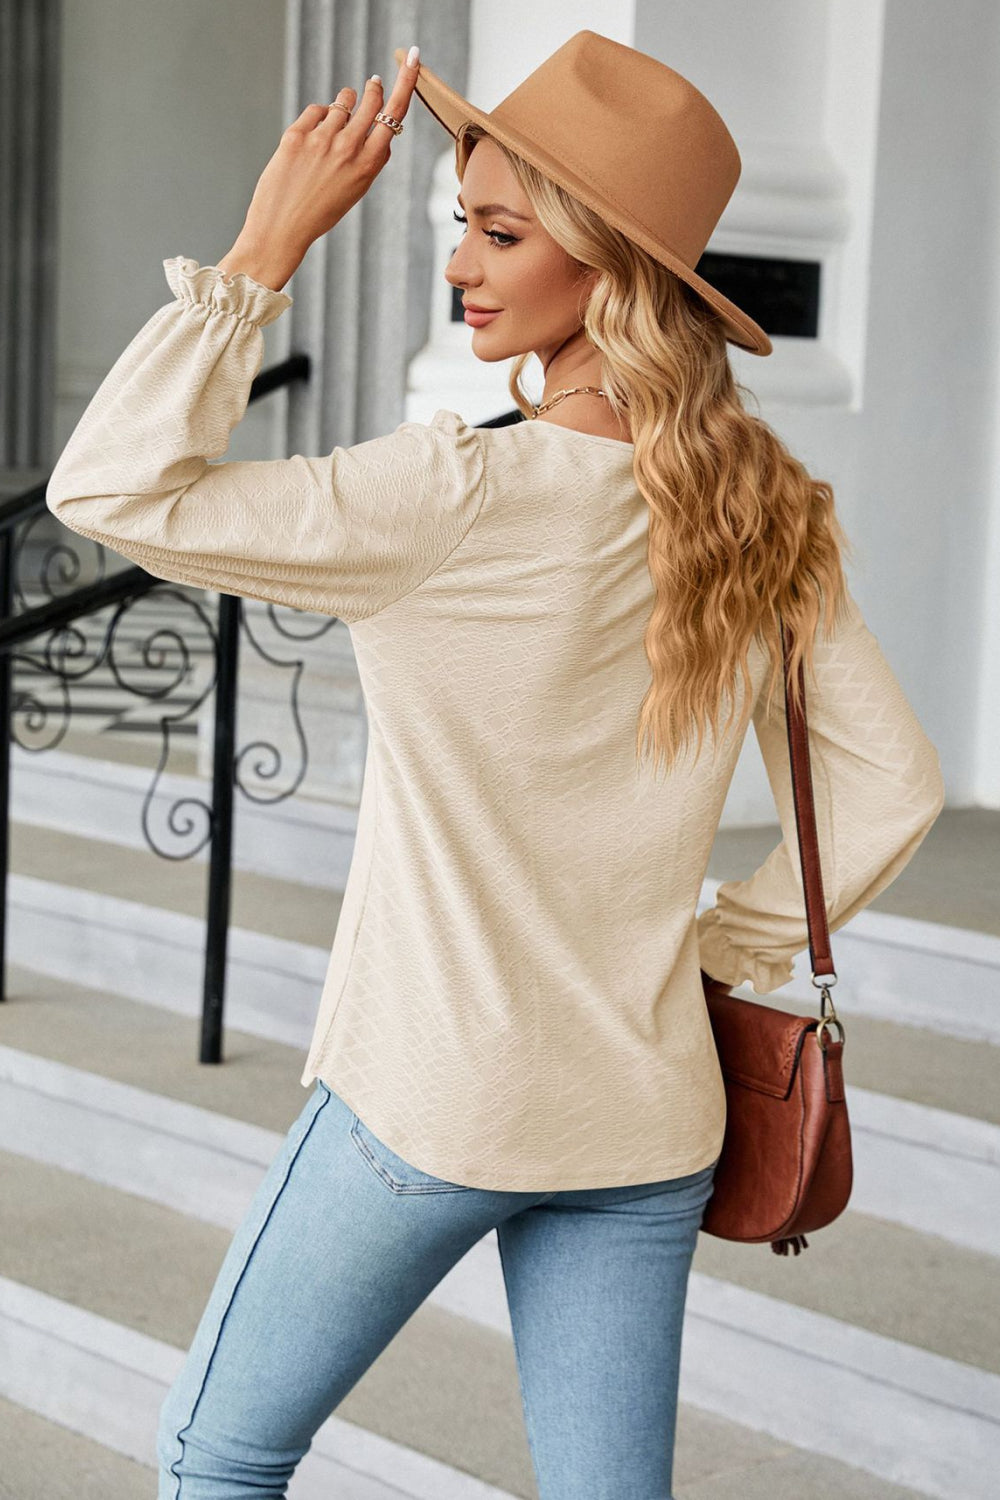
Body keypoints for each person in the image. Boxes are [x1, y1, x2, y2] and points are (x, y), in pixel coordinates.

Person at [44, 30, 945, 1500]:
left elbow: (110, 488)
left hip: (436, 1097)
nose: (460, 265)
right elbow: (891, 785)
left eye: (501, 233)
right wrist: (712, 949)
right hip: (648, 1112)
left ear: (609, 267)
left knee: (218, 1457)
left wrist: (266, 248)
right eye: (460, 223)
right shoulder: (766, 502)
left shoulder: (450, 490)